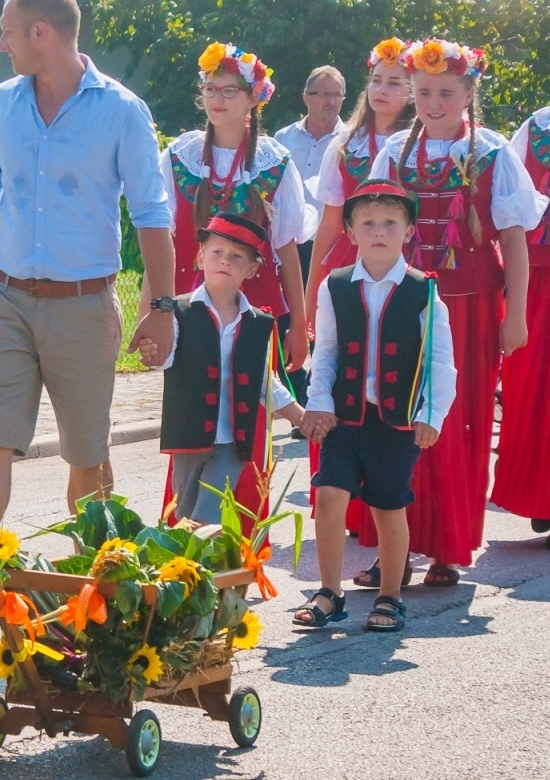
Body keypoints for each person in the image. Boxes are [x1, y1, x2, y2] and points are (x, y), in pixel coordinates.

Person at [0, 0, 176, 524]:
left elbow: (151, 216)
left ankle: (98, 585)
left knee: (87, 459)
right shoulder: (1, 104)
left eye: (8, 34)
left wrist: (162, 309)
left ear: (40, 32)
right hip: (6, 302)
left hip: (83, 307)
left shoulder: (123, 111)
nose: (1, 45)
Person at [361, 39, 546, 588]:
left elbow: (515, 240)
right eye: (423, 92)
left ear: (468, 93)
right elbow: (373, 227)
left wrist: (515, 315)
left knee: (457, 423)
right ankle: (393, 550)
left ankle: (447, 548)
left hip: (469, 308)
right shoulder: (393, 151)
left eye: (446, 92)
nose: (433, 102)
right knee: (392, 421)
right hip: (402, 304)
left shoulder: (491, 152)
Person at [298, 180, 455, 632]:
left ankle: (389, 596)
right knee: (328, 497)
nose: (379, 230)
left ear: (408, 231)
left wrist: (431, 414)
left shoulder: (423, 289)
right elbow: (325, 349)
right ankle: (330, 591)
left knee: (388, 507)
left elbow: (439, 359)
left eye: (391, 222)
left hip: (396, 420)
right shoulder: (336, 285)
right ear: (350, 231)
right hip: (345, 417)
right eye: (368, 223)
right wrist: (319, 402)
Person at [302, 38, 415, 537]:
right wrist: (309, 292)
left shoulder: (420, 142)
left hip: (396, 270)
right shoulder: (344, 144)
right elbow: (327, 226)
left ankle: (388, 514)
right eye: (377, 79)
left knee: (387, 385)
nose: (383, 89)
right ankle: (340, 504)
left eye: (396, 81)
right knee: (338, 379)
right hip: (346, 271)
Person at [159, 43, 314, 378]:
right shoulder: (179, 156)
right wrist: (153, 310)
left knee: (251, 407)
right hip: (189, 305)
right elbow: (161, 241)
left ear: (252, 97)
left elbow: (286, 248)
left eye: (230, 90)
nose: (218, 99)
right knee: (192, 407)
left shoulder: (273, 163)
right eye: (211, 89)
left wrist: (299, 325)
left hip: (253, 307)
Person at [141, 213, 304, 524]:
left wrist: (298, 414)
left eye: (237, 256)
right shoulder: (178, 311)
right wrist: (154, 355)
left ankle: (208, 568)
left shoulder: (260, 323)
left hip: (233, 440)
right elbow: (166, 358)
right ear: (201, 257)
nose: (225, 261)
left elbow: (264, 382)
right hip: (188, 437)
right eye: (217, 252)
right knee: (183, 516)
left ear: (253, 269)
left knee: (207, 518)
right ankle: (188, 572)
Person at [492, 86, 550, 544]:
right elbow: (508, 208)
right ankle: (542, 493)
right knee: (528, 383)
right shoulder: (537, 127)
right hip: (539, 276)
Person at [275, 65, 347, 282]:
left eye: (337, 95)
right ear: (306, 97)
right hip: (288, 246)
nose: (331, 101)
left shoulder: (350, 142)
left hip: (332, 246)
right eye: (325, 94)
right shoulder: (283, 139)